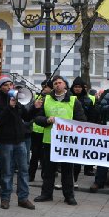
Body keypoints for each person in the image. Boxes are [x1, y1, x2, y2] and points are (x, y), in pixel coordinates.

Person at [32, 76, 86, 205]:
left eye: (59, 83)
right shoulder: (46, 100)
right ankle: (46, 194)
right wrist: (46, 120)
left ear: (65, 85)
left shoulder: (73, 100)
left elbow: (82, 120)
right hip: (49, 140)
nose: (57, 85)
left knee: (67, 170)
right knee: (48, 170)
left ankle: (69, 196)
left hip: (67, 142)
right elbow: (37, 118)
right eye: (55, 83)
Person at [0, 77, 36, 210]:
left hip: (20, 140)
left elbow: (26, 116)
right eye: (6, 85)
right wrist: (10, 107)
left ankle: (23, 198)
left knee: (23, 170)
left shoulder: (17, 101)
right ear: (0, 88)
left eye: (11, 84)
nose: (9, 87)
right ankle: (5, 198)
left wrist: (35, 108)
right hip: (5, 141)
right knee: (7, 171)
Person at [69, 77, 97, 181]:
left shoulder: (88, 100)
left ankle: (74, 178)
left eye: (79, 87)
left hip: (82, 131)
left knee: (77, 157)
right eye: (75, 87)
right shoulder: (68, 98)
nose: (77, 89)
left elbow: (92, 116)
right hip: (69, 130)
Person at [29, 81, 52, 182]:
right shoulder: (39, 97)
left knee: (44, 157)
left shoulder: (51, 100)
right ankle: (31, 175)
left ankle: (45, 175)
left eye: (46, 87)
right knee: (35, 155)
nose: (44, 89)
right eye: (43, 87)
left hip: (46, 131)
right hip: (36, 130)